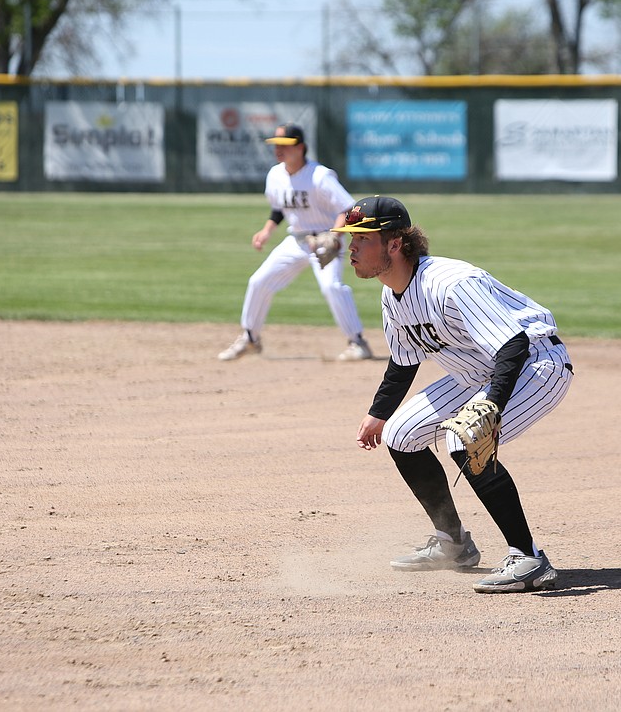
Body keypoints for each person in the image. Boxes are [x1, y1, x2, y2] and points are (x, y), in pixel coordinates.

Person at [333, 196, 574, 593]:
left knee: (467, 438)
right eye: (349, 239)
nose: (351, 248)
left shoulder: (450, 283)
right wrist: (378, 412)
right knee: (401, 435)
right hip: (475, 372)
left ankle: (528, 557)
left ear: (394, 243)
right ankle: (454, 543)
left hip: (535, 365)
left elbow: (512, 344)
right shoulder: (391, 292)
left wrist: (491, 405)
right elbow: (403, 359)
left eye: (361, 238)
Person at [218, 124, 373, 362]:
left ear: (300, 147)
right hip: (297, 240)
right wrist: (267, 230)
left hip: (324, 239)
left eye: (285, 145)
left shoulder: (319, 176)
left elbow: (347, 207)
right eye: (276, 145)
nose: (279, 149)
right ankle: (250, 338)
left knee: (331, 286)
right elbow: (280, 207)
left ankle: (357, 342)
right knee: (259, 281)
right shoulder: (275, 175)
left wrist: (335, 236)